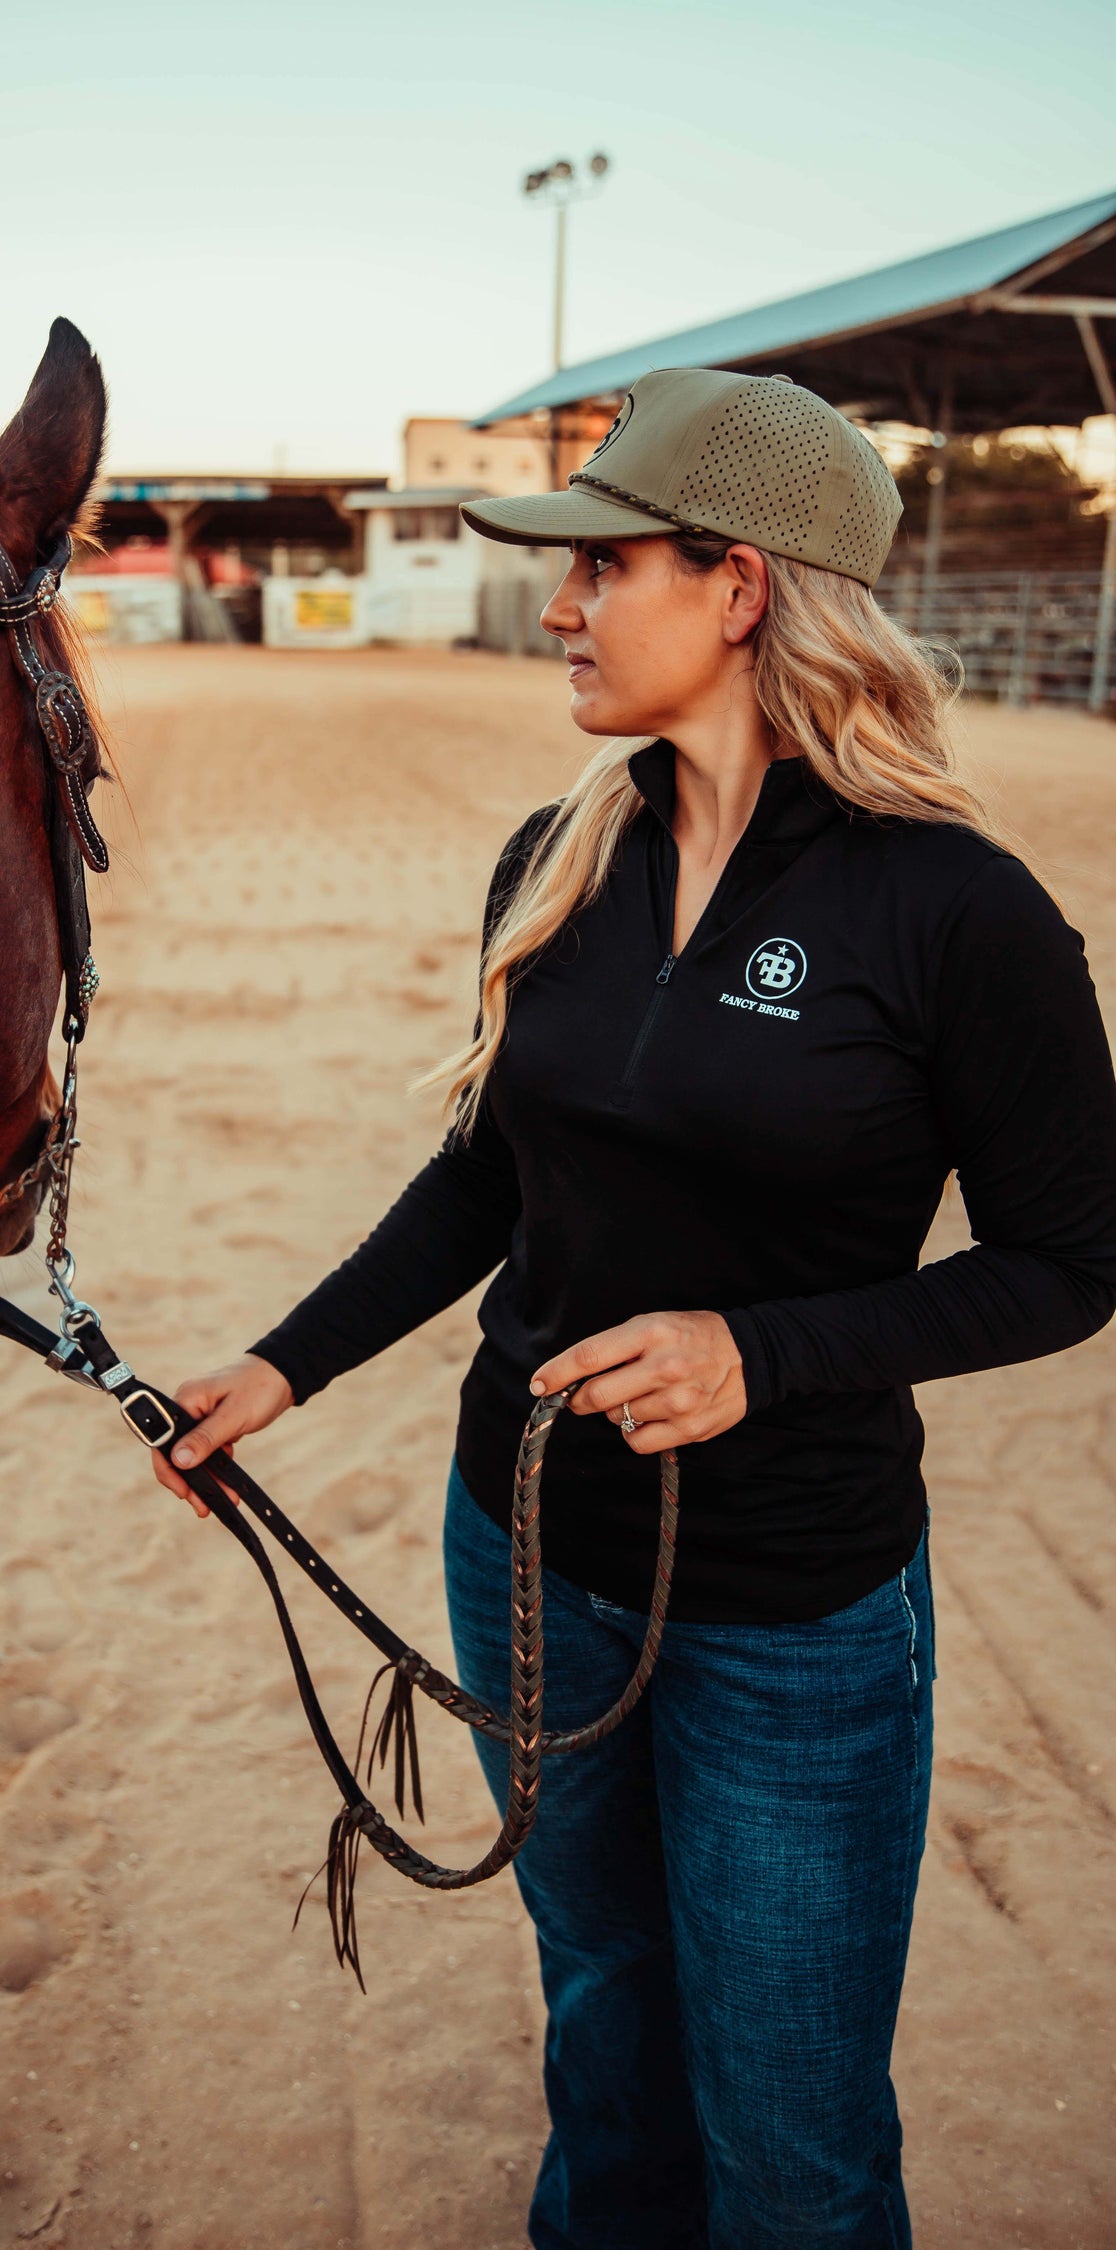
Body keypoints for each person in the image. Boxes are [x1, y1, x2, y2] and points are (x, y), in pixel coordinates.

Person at [150, 367, 1116, 2249]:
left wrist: (765, 1354)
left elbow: (1073, 1259)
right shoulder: (558, 854)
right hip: (520, 1551)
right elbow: (486, 1176)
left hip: (791, 1612)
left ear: (739, 586)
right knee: (604, 2019)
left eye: (602, 568)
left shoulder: (960, 912)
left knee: (793, 2138)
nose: (559, 609)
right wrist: (280, 1366)